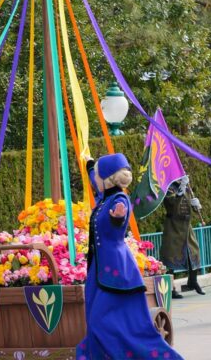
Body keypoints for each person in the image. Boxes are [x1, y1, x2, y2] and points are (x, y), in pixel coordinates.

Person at [77, 153, 184, 360]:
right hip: (99, 271)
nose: (95, 179)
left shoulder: (119, 199)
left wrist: (117, 220)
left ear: (107, 178)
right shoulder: (103, 198)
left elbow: (119, 225)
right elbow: (95, 181)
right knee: (94, 320)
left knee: (102, 322)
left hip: (115, 271)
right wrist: (90, 165)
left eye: (98, 174)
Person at [160, 176, 204, 298]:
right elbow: (171, 206)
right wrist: (180, 191)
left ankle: (192, 282)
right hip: (173, 227)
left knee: (194, 252)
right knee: (170, 257)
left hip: (187, 227)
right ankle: (170, 288)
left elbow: (189, 205)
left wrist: (196, 205)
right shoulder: (168, 188)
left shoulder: (186, 187)